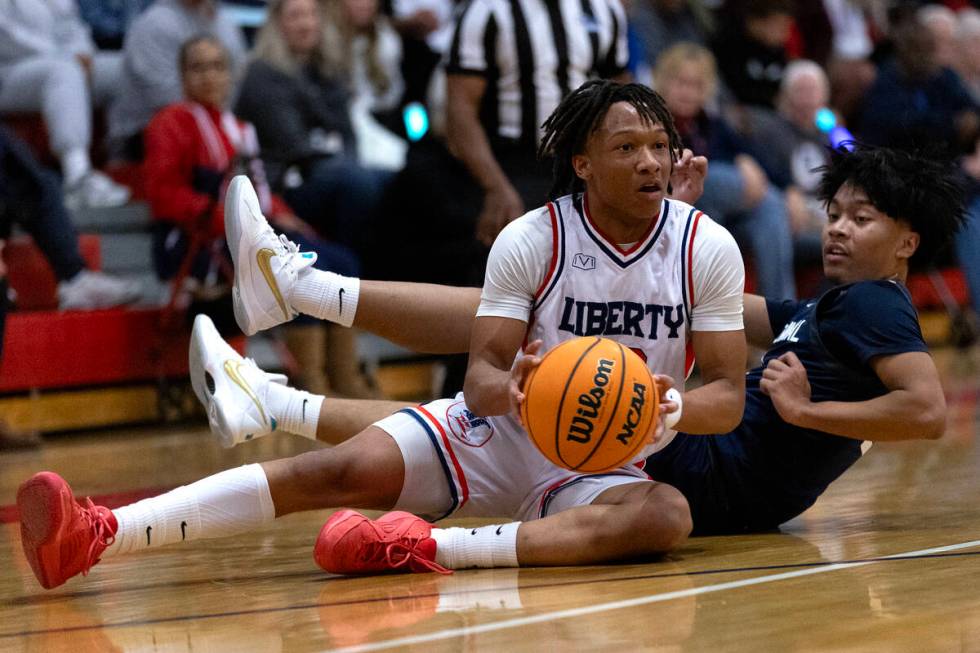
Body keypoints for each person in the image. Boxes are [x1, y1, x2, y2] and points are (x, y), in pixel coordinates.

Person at [16, 80, 745, 589]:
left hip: (600, 463)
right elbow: (483, 374)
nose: (650, 161)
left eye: (659, 145)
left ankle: (424, 546)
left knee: (665, 513)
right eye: (628, 148)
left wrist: (669, 408)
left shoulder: (704, 248)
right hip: (499, 436)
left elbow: (728, 392)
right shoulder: (534, 238)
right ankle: (99, 531)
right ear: (582, 164)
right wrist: (512, 390)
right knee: (326, 473)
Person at [143, 35, 370, 396]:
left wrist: (282, 214)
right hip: (197, 240)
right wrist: (231, 220)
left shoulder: (238, 128)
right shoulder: (169, 124)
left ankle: (346, 376)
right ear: (183, 76)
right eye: (198, 68)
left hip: (246, 232)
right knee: (301, 268)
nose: (209, 76)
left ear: (230, 75)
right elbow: (164, 195)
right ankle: (313, 381)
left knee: (342, 261)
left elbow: (259, 191)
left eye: (217, 67)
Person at [235, 0, 393, 258]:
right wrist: (343, 160)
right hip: (284, 183)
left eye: (311, 15)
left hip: (326, 169)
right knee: (357, 183)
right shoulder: (262, 73)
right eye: (296, 16)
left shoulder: (325, 68)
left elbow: (347, 131)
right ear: (277, 24)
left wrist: (347, 160)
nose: (306, 24)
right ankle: (349, 272)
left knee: (390, 179)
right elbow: (294, 146)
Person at [654, 42, 796, 299]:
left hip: (718, 213)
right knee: (716, 177)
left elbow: (754, 156)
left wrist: (751, 164)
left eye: (696, 85)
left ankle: (778, 313)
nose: (688, 92)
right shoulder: (652, 122)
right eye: (681, 83)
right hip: (671, 206)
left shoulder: (709, 123)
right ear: (662, 81)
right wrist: (745, 176)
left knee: (769, 212)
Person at [0, 0, 131, 209]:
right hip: (9, 70)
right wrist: (67, 57)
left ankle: (121, 158)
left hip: (57, 60)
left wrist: (84, 52)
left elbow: (72, 26)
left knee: (121, 68)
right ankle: (77, 176)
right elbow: (7, 38)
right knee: (64, 72)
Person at [108, 0, 247, 161]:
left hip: (214, 131)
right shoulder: (155, 23)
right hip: (144, 143)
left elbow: (235, 85)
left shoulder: (225, 22)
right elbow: (168, 101)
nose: (210, 76)